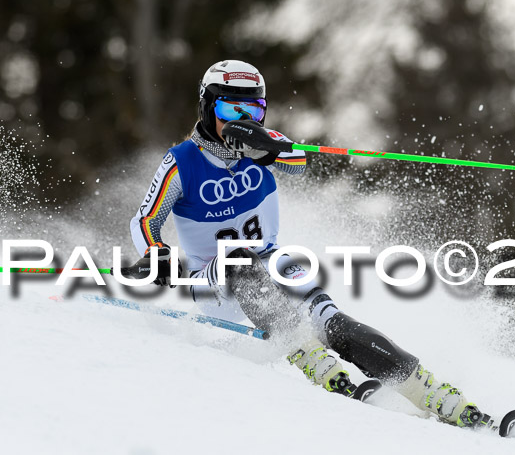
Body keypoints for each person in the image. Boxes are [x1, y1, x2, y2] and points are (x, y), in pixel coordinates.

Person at [129, 60, 485, 428]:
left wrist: (263, 146)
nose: (241, 120)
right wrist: (155, 253)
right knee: (237, 258)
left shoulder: (261, 144)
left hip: (271, 265)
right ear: (207, 106)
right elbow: (144, 219)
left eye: (252, 110)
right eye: (229, 109)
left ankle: (427, 388)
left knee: (332, 319)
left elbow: (297, 161)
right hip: (214, 282)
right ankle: (309, 354)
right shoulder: (181, 162)